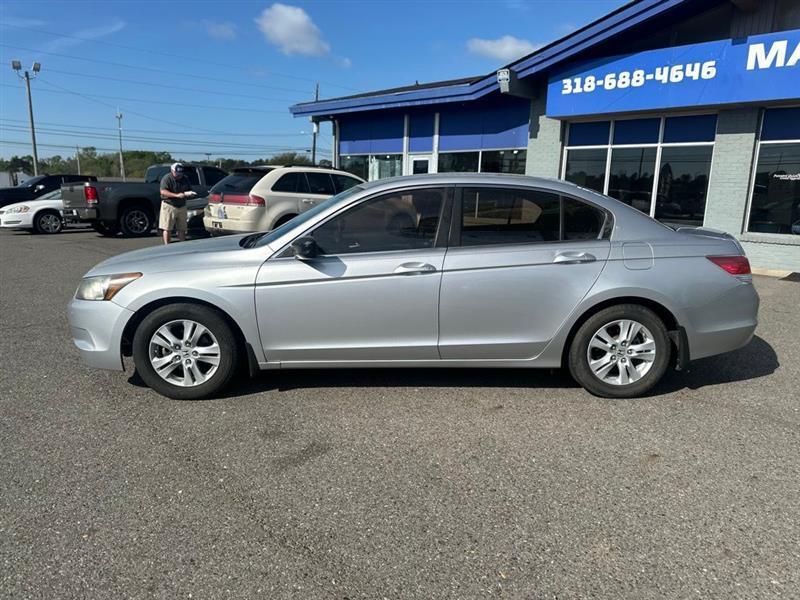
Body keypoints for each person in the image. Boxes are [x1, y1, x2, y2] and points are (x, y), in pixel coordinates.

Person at [159, 162, 195, 244]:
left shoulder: (185, 178)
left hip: (182, 206)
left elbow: (188, 189)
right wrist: (176, 195)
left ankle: (182, 245)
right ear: (172, 171)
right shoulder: (167, 178)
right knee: (167, 228)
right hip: (169, 205)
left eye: (181, 173)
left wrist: (189, 194)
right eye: (177, 173)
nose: (179, 175)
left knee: (182, 228)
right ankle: (167, 246)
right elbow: (163, 191)